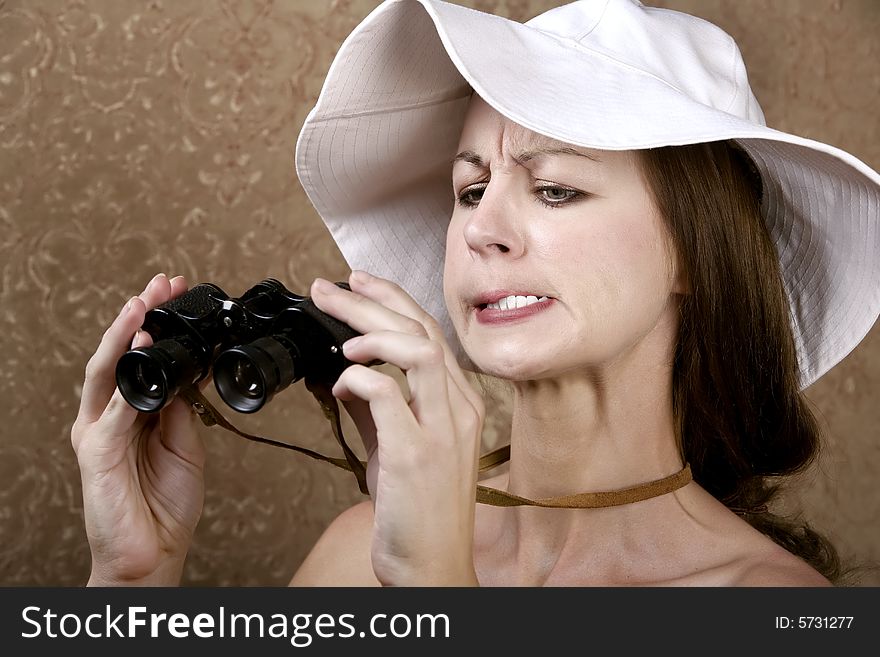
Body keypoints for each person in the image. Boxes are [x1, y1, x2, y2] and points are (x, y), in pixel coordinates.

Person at [72, 0, 880, 586]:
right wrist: (136, 578)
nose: (479, 229)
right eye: (468, 189)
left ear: (692, 255)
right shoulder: (359, 554)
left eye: (555, 189)